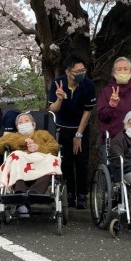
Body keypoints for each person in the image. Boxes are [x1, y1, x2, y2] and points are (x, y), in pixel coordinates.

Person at [48, 53, 96, 209]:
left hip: (81, 127)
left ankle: (82, 194)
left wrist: (79, 134)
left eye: (83, 70)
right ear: (68, 72)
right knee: (66, 161)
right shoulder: (57, 83)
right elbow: (52, 110)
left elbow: (87, 111)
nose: (81, 73)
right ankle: (69, 193)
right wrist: (59, 99)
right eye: (77, 71)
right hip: (62, 128)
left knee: (81, 161)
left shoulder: (88, 85)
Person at [0, 112, 61, 217]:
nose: (23, 123)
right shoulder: (12, 136)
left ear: (33, 124)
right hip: (21, 165)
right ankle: (20, 193)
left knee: (51, 159)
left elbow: (55, 148)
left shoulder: (43, 134)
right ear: (17, 126)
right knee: (16, 155)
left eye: (26, 121)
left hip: (40, 164)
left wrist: (38, 148)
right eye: (20, 122)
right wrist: (22, 141)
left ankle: (35, 192)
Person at [97, 57, 131, 161]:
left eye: (125, 69)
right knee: (115, 168)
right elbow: (101, 116)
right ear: (113, 72)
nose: (122, 72)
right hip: (112, 140)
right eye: (119, 69)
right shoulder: (107, 91)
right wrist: (111, 105)